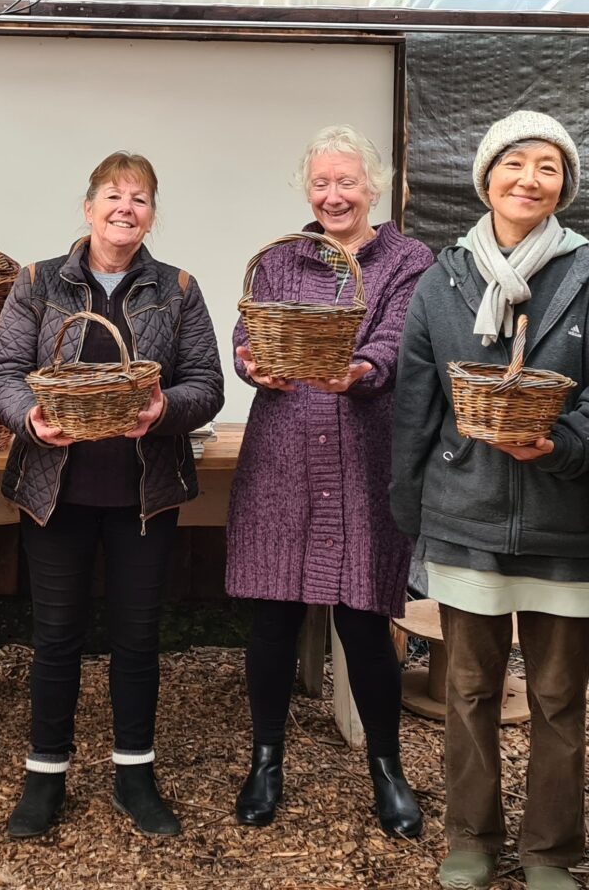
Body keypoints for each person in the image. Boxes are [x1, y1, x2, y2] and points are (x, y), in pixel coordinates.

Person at [0, 151, 224, 839]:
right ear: (87, 208)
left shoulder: (177, 288)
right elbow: (3, 372)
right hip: (54, 490)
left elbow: (206, 382)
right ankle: (44, 776)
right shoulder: (36, 282)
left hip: (144, 493)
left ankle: (135, 776)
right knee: (56, 636)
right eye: (113, 195)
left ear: (152, 214)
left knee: (137, 638)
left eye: (141, 198)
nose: (127, 208)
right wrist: (28, 418)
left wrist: (165, 409)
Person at [391, 111, 589, 890]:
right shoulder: (441, 282)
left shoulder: (585, 274)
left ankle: (551, 851)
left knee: (557, 696)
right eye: (515, 163)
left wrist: (564, 446)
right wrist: (411, 515)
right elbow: (416, 404)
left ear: (564, 186)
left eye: (548, 167)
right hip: (464, 515)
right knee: (468, 688)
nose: (529, 180)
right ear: (486, 177)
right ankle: (470, 837)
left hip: (564, 521)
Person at [225, 125, 432, 837]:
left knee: (365, 624)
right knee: (273, 618)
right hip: (282, 455)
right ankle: (265, 761)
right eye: (321, 183)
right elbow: (246, 330)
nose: (334, 194)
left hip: (362, 456)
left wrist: (361, 372)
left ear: (374, 186)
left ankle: (387, 768)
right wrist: (253, 363)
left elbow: (398, 340)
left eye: (347, 182)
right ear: (306, 188)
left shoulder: (408, 259)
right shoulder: (282, 258)